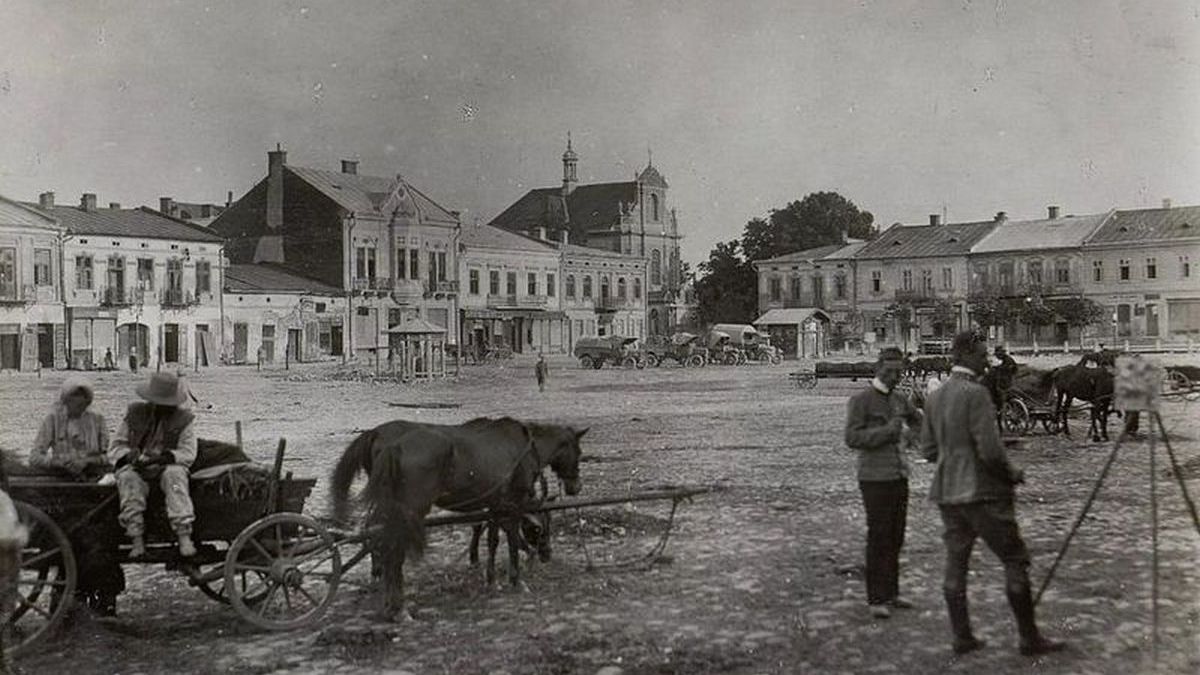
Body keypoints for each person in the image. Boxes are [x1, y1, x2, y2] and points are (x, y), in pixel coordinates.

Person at [920, 331, 1066, 656]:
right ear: (967, 355)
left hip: (947, 492)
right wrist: (1012, 473)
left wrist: (953, 454)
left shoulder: (935, 396)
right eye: (983, 353)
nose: (987, 360)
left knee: (955, 564)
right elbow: (990, 450)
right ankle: (1029, 638)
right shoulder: (977, 394)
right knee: (1014, 559)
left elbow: (928, 450)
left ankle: (962, 636)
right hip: (983, 493)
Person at [29, 379, 125, 616]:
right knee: (70, 535)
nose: (78, 408)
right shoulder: (52, 420)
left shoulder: (97, 421)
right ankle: (69, 595)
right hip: (64, 488)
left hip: (95, 487)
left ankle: (106, 596)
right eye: (74, 403)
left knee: (104, 535)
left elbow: (108, 457)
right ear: (65, 400)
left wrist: (88, 461)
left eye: (83, 404)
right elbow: (35, 456)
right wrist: (59, 463)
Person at [844, 346, 923, 619]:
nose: (894, 377)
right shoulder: (861, 401)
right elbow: (852, 438)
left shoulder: (901, 399)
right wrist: (887, 432)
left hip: (899, 475)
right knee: (879, 536)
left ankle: (893, 592)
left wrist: (914, 435)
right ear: (878, 368)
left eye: (899, 372)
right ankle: (876, 597)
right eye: (889, 371)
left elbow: (917, 421)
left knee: (897, 535)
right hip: (874, 478)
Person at [108, 371, 198, 559]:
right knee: (127, 479)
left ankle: (184, 536)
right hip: (138, 469)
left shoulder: (184, 420)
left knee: (175, 477)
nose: (164, 408)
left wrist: (165, 457)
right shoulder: (134, 414)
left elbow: (188, 452)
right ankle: (136, 539)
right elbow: (116, 446)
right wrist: (129, 456)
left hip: (167, 467)